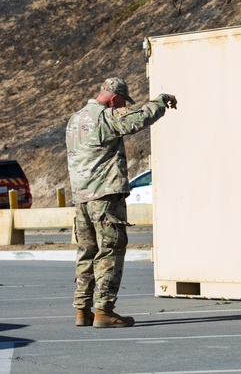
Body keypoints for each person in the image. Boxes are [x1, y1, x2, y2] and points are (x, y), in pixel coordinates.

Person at [65, 77, 178, 328]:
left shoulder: (75, 119)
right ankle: (104, 310)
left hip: (81, 199)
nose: (120, 108)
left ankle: (82, 310)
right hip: (104, 198)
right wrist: (161, 102)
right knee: (110, 252)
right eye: (120, 103)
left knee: (87, 252)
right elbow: (139, 118)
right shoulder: (104, 117)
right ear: (114, 98)